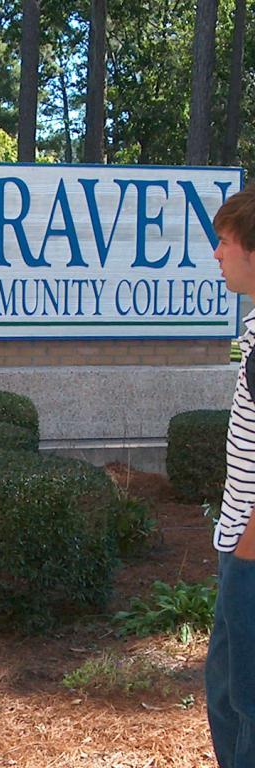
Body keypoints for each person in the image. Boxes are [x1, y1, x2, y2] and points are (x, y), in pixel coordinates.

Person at [205, 185, 255, 768]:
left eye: (224, 241)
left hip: (252, 557)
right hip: (238, 548)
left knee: (247, 703)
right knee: (225, 692)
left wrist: (246, 549)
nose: (216, 253)